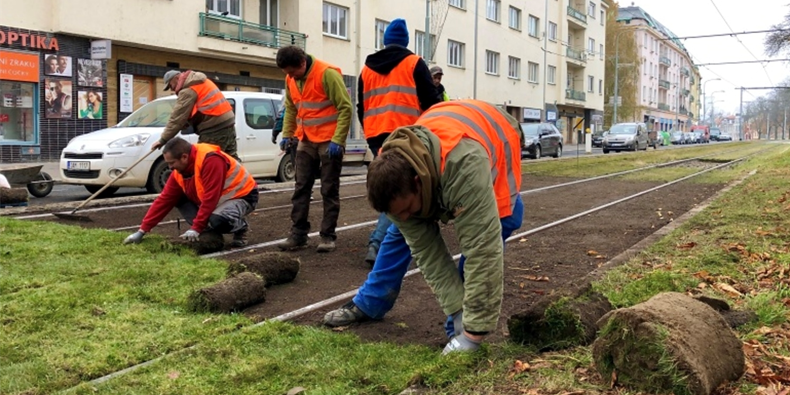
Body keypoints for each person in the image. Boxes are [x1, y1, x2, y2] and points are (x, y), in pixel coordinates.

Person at [324, 100, 524, 354]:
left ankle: (466, 327)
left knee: (498, 219)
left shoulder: (464, 165)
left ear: (418, 183)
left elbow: (481, 247)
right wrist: (456, 308)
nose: (405, 216)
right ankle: (372, 301)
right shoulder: (392, 172)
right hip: (445, 127)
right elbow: (428, 253)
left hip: (496, 135)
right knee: (400, 232)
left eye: (407, 208)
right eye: (398, 212)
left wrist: (473, 332)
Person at [358, 18, 441, 266]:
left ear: (385, 41)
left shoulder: (366, 69)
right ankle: (379, 241)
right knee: (401, 187)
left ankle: (385, 239)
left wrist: (369, 132)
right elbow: (430, 101)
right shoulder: (414, 63)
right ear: (406, 41)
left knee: (389, 184)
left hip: (376, 134)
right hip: (406, 134)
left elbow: (362, 107)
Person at [274, 45, 352, 253]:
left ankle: (327, 236)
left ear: (302, 63)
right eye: (287, 74)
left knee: (329, 189)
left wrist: (338, 139)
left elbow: (345, 108)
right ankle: (298, 234)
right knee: (301, 187)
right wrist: (287, 133)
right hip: (306, 139)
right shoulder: (291, 79)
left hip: (329, 141)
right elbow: (291, 107)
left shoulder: (327, 74)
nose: (290, 76)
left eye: (292, 72)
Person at [123, 137, 258, 248]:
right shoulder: (179, 171)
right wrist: (142, 231)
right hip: (217, 201)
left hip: (242, 196)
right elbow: (164, 200)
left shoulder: (210, 160)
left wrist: (196, 228)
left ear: (184, 157)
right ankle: (209, 233)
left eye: (172, 163)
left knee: (218, 220)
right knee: (177, 198)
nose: (170, 168)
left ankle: (241, 227)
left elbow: (211, 197)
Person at [150, 70, 239, 160]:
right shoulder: (201, 81)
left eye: (170, 85)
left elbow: (177, 118)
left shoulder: (188, 90)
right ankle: (241, 174)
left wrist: (163, 140)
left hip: (214, 129)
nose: (171, 89)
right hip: (228, 123)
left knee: (204, 161)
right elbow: (200, 108)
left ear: (177, 78)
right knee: (231, 161)